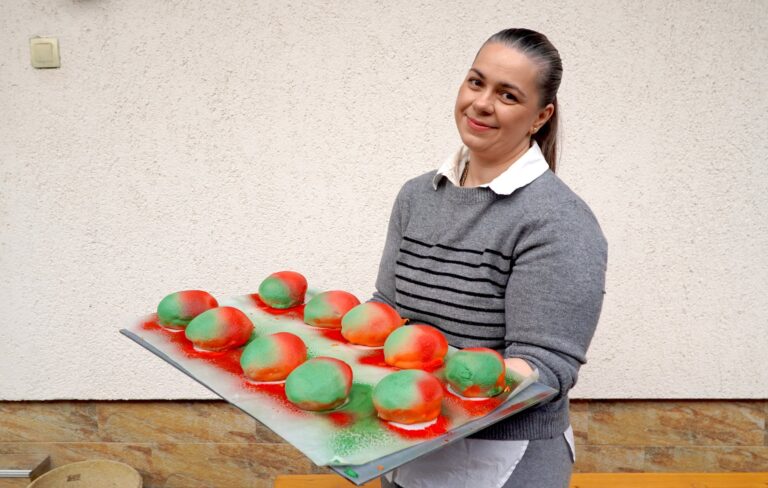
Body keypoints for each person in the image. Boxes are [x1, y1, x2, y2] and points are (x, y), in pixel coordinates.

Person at [372, 28, 608, 488]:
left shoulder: (559, 221)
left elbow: (546, 367)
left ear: (540, 116)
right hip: (407, 446)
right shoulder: (416, 196)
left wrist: (424, 389)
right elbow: (387, 308)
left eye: (508, 95)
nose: (481, 103)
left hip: (503, 462)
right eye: (476, 82)